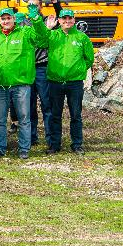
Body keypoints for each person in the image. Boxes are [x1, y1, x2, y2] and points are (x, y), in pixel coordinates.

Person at [32, 8, 94, 154]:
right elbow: (41, 37)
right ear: (59, 21)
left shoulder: (81, 38)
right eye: (64, 19)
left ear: (74, 20)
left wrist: (78, 70)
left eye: (70, 19)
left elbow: (89, 58)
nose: (67, 21)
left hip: (75, 82)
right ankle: (54, 145)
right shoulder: (52, 35)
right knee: (55, 114)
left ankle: (77, 144)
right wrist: (38, 21)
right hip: (55, 81)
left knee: (76, 115)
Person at [0, 7, 43, 159]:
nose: (6, 21)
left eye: (8, 18)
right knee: (0, 119)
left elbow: (43, 37)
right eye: (3, 18)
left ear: (14, 19)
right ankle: (0, 148)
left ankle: (24, 148)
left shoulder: (25, 33)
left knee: (24, 118)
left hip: (21, 85)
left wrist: (36, 20)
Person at [27, 0, 62, 148]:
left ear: (40, 7)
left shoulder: (49, 21)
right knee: (29, 105)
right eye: (29, 6)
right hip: (27, 69)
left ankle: (50, 138)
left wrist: (55, 1)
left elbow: (63, 18)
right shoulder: (23, 24)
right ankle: (32, 138)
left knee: (47, 105)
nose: (32, 8)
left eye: (35, 6)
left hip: (42, 67)